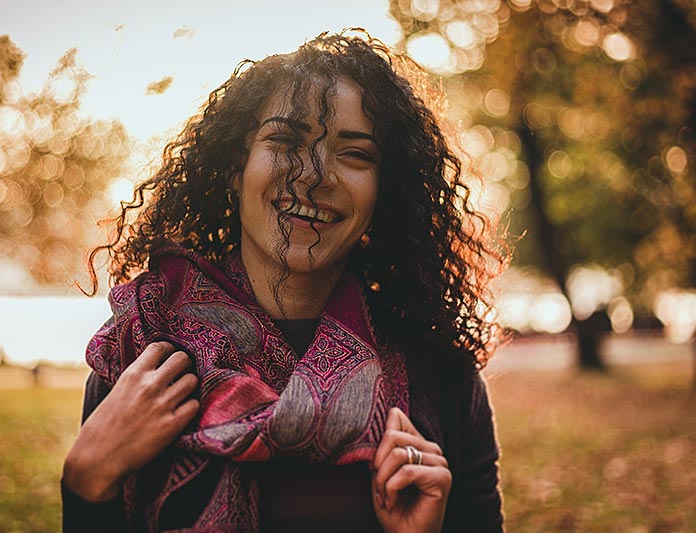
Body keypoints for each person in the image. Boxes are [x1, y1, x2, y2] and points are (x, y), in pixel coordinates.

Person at [62, 31, 506, 533]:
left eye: (354, 154)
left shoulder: (441, 374)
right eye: (286, 140)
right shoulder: (145, 353)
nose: (314, 177)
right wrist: (85, 481)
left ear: (387, 188)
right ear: (236, 167)